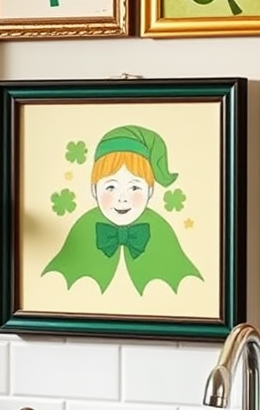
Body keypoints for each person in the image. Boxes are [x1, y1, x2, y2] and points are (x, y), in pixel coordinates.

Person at [43, 125, 202, 295]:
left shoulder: (161, 230)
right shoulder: (84, 227)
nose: (122, 198)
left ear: (150, 190)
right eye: (111, 187)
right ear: (93, 189)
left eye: (134, 188)